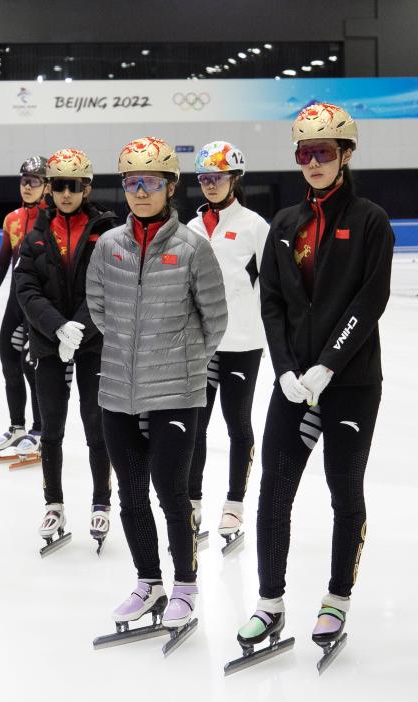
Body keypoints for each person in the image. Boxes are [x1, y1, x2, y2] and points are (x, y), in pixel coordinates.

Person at [234, 103, 393, 664]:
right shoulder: (284, 223)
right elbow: (272, 302)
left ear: (346, 154)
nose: (314, 162)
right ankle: (269, 602)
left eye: (324, 152)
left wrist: (330, 363)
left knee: (343, 490)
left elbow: (370, 299)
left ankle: (336, 598)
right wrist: (284, 368)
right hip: (294, 386)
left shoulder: (371, 220)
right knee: (274, 491)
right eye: (305, 153)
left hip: (350, 384)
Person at [86, 137, 226, 641]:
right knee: (130, 494)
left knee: (171, 490)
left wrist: (178, 362)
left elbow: (215, 320)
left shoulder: (192, 247)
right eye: (131, 182)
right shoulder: (108, 246)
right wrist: (132, 352)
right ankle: (149, 582)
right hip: (118, 389)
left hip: (176, 391)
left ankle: (185, 584)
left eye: (150, 181)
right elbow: (98, 308)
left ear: (170, 186)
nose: (140, 191)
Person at [14, 148, 118, 555]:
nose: (66, 193)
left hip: (94, 345)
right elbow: (26, 289)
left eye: (74, 186)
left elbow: (109, 285)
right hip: (48, 343)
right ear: (50, 189)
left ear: (87, 188)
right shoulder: (35, 235)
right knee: (52, 429)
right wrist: (57, 327)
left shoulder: (105, 231)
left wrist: (81, 328)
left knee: (96, 427)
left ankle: (101, 502)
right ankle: (53, 504)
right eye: (59, 185)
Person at [185, 141, 269, 548]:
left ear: (234, 178)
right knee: (196, 425)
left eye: (217, 177)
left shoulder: (254, 226)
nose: (211, 184)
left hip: (242, 342)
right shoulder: (191, 228)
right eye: (204, 178)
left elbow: (275, 285)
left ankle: (234, 501)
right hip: (201, 344)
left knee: (237, 423)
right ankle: (193, 499)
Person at [0, 156, 46, 460]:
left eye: (34, 181)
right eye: (24, 181)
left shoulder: (52, 219)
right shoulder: (12, 219)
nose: (28, 186)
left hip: (39, 303)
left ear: (46, 186)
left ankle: (41, 429)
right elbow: (3, 258)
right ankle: (17, 426)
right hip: (14, 301)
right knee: (9, 362)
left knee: (32, 367)